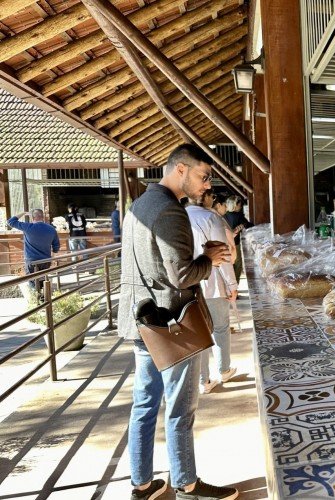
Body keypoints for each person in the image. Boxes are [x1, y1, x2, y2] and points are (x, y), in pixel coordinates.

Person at [117, 144, 237, 500]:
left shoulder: (139, 204)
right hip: (171, 324)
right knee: (180, 409)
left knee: (144, 404)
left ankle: (142, 484)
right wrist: (210, 258)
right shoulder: (170, 211)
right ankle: (187, 484)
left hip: (142, 320)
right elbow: (182, 274)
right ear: (180, 170)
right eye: (202, 177)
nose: (206, 186)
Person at [186, 189, 238, 394]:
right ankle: (224, 369)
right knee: (220, 327)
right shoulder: (210, 218)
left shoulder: (179, 216)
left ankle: (203, 380)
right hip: (213, 282)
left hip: (189, 282)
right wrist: (232, 285)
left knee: (198, 333)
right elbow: (222, 254)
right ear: (206, 197)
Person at [6, 209, 59, 296]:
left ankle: (36, 301)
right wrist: (52, 257)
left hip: (31, 261)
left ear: (32, 217)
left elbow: (10, 222)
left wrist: (23, 212)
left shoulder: (28, 227)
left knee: (32, 281)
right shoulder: (51, 229)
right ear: (43, 217)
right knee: (43, 280)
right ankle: (44, 299)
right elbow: (56, 246)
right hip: (45, 260)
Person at [223, 196, 252, 285]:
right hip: (235, 243)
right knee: (237, 265)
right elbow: (248, 225)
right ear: (235, 205)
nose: (240, 207)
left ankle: (228, 287)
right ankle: (234, 286)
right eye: (239, 205)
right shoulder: (239, 216)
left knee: (228, 265)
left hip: (224, 243)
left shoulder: (224, 215)